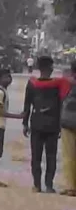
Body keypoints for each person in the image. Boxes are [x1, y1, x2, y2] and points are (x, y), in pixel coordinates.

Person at [24, 56, 70, 194]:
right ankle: (49, 185)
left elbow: (27, 105)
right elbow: (62, 103)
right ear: (51, 68)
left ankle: (36, 185)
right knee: (51, 156)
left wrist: (25, 124)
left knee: (36, 156)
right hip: (53, 124)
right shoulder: (59, 84)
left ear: (38, 68)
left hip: (36, 122)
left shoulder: (32, 83)